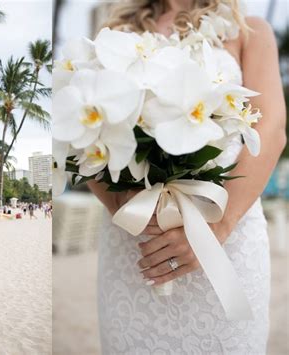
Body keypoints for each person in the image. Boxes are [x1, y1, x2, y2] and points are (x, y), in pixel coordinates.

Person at [87, 0, 286, 353]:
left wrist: (214, 228)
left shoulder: (250, 32)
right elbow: (86, 136)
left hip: (227, 237)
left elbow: (270, 129)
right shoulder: (116, 35)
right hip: (135, 239)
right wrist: (119, 200)